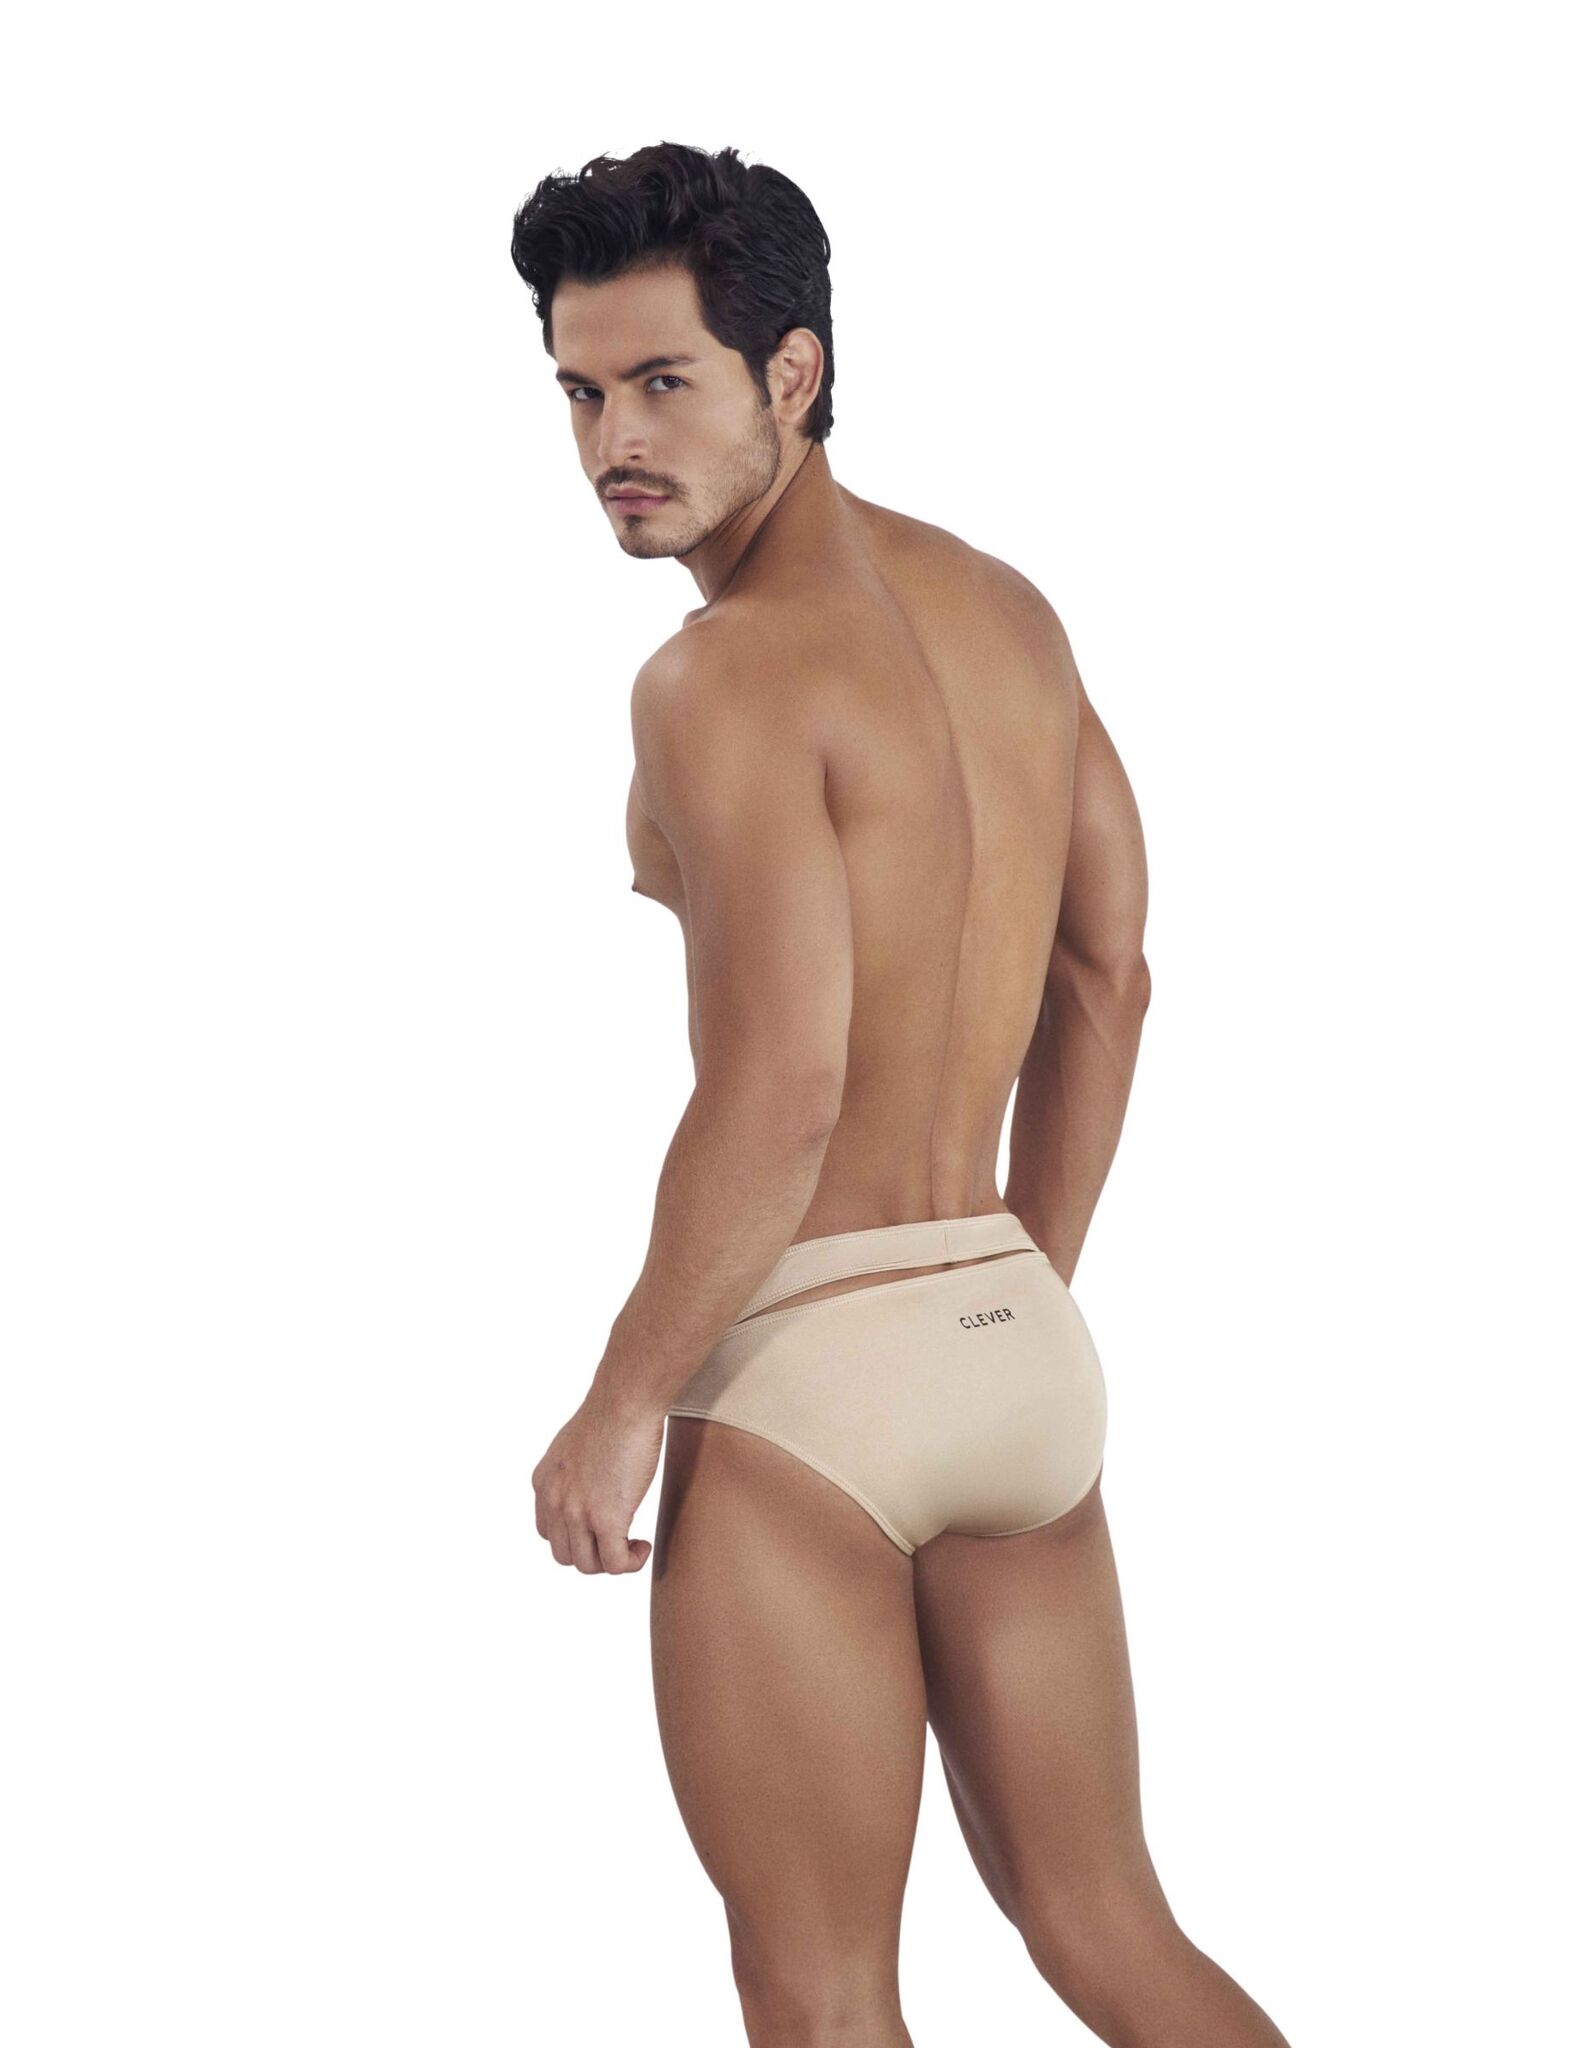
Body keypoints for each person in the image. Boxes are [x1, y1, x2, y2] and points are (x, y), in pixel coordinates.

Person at [511, 141, 1290, 2048]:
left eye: (663, 382)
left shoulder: (718, 678)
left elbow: (785, 1084)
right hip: (1013, 1344)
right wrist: (1021, 1281)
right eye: (579, 393)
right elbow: (1107, 974)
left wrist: (621, 1400)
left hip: (809, 1377)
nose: (615, 441)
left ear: (792, 373)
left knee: (818, 1987)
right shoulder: (1006, 611)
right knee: (1110, 1929)